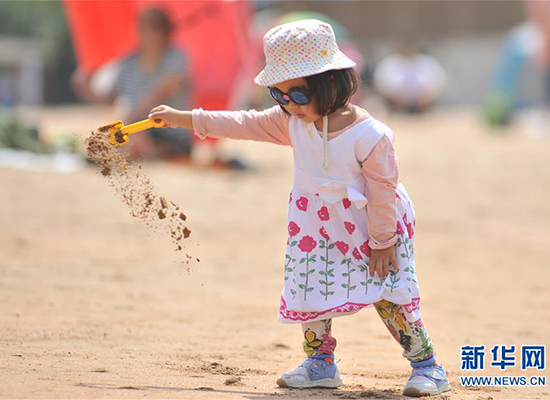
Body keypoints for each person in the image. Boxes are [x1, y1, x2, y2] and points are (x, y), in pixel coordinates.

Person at [148, 20, 451, 397]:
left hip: (374, 226)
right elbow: (243, 123)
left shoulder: (371, 136)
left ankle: (427, 366)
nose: (290, 104)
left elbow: (383, 191)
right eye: (279, 95)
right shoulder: (292, 122)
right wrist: (185, 119)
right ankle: (320, 363)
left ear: (332, 83)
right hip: (315, 229)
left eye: (300, 94)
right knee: (310, 290)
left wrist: (384, 240)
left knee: (389, 294)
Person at [72, 7, 192, 159]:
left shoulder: (176, 58)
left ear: (164, 31)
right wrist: (87, 88)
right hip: (136, 129)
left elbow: (158, 96)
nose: (146, 33)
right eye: (142, 27)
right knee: (127, 142)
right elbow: (108, 98)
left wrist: (127, 123)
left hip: (169, 133)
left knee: (138, 143)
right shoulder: (128, 62)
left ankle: (131, 150)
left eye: (152, 27)